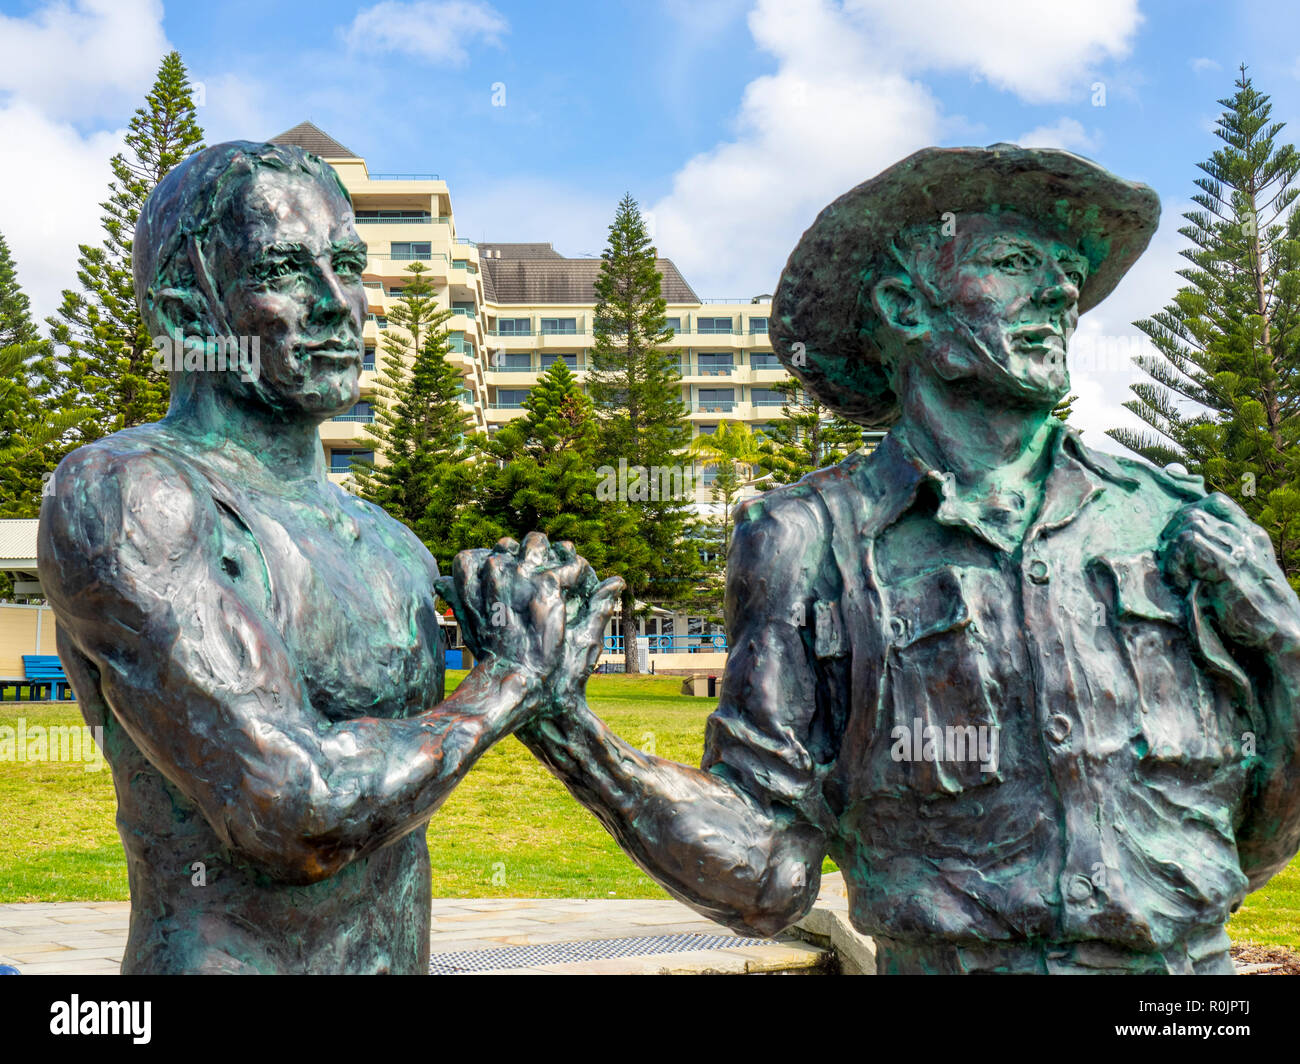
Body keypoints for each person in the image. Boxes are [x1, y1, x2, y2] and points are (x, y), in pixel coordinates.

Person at [457, 144, 1300, 974]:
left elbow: (1260, 827)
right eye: (1015, 261)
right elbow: (765, 871)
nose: (1062, 290)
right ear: (904, 305)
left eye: (1067, 268)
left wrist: (1288, 650)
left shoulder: (1182, 526)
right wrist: (563, 720)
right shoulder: (802, 541)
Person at [36, 141, 616, 974]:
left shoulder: (394, 545)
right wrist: (509, 684)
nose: (340, 302)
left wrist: (543, 655)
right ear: (187, 313)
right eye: (285, 269)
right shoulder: (131, 496)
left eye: (346, 264)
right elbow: (289, 810)